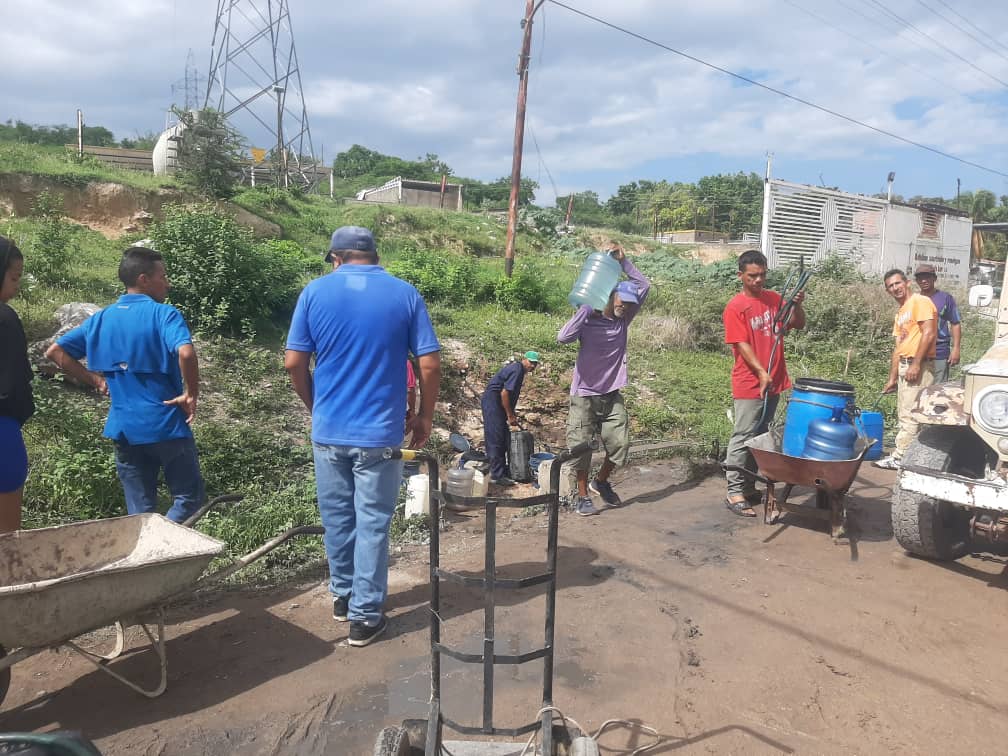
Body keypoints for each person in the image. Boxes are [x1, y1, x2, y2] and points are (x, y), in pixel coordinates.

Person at [285, 225, 441, 647]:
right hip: (379, 433)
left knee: (338, 518)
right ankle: (365, 617)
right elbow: (428, 364)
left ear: (335, 257)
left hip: (330, 430)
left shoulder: (314, 293)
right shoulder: (405, 294)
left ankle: (344, 597)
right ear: (373, 255)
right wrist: (424, 415)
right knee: (373, 522)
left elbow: (294, 362)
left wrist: (314, 406)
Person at [45, 246, 205, 522]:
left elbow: (55, 352)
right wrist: (191, 393)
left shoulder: (101, 318)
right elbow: (186, 353)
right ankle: (160, 548)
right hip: (164, 422)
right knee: (190, 499)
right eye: (163, 276)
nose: (167, 282)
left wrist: (94, 380)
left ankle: (145, 555)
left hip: (123, 428)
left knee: (139, 513)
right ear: (144, 279)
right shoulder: (164, 314)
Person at [557, 244, 650, 516]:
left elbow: (644, 285)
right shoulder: (588, 320)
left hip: (612, 393)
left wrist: (624, 262)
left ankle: (602, 481)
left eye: (630, 305)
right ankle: (583, 494)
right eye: (622, 302)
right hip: (585, 394)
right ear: (610, 297)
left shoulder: (623, 321)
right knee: (582, 447)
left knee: (620, 444)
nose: (626, 307)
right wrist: (586, 307)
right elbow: (563, 338)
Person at [722, 249, 805, 517]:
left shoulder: (773, 299)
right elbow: (741, 343)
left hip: (775, 379)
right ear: (741, 276)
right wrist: (760, 372)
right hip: (751, 382)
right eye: (752, 276)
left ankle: (747, 486)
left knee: (760, 435)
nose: (758, 280)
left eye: (762, 275)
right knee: (743, 435)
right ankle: (734, 490)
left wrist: (797, 304)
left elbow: (797, 324)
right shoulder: (736, 307)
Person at [874, 269, 937, 470]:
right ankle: (908, 456)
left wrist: (916, 364)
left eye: (897, 283)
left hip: (918, 364)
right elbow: (898, 347)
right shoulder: (901, 313)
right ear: (887, 291)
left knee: (911, 414)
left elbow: (928, 333)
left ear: (907, 283)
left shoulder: (920, 302)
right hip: (904, 365)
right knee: (904, 413)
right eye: (890, 286)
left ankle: (902, 458)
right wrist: (892, 378)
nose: (895, 288)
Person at [0, 237, 34, 533]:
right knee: (7, 542)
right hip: (2, 436)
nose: (16, 286)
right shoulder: (5, 318)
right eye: (14, 277)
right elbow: (15, 382)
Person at [480, 351, 540, 486]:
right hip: (493, 403)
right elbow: (505, 393)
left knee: (504, 436)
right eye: (531, 362)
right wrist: (510, 415)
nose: (532, 366)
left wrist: (509, 412)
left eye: (535, 364)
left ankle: (501, 470)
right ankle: (496, 475)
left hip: (497, 404)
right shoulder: (517, 370)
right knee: (496, 438)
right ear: (524, 359)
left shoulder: (518, 370)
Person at [914, 263, 961, 384]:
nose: (924, 280)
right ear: (916, 281)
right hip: (918, 352)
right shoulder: (914, 300)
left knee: (938, 391)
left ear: (934, 278)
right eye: (920, 278)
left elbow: (955, 323)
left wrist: (956, 348)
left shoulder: (946, 298)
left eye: (927, 277)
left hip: (939, 352)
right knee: (919, 390)